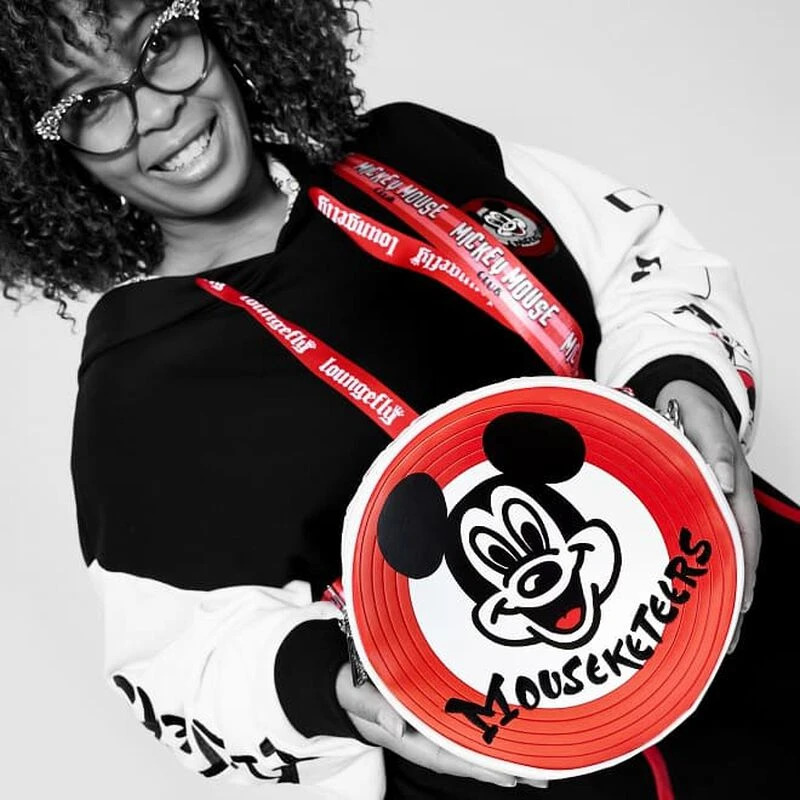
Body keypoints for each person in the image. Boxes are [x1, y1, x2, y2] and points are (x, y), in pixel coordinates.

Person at [1, 0, 793, 797]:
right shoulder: (136, 386)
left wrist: (685, 375)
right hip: (529, 769)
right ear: (50, 156)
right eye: (90, 103)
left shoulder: (412, 150)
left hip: (748, 601)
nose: (155, 109)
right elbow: (180, 663)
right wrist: (333, 685)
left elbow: (634, 263)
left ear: (222, 25)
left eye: (159, 42)